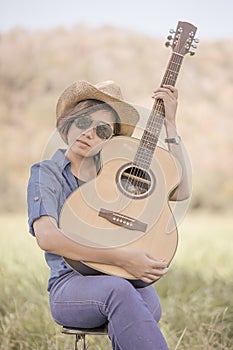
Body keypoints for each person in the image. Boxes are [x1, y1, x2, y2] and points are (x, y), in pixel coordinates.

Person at [27, 80, 190, 350]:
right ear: (69, 122)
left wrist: (170, 124)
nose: (89, 133)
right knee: (121, 292)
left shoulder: (117, 169)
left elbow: (180, 191)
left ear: (110, 139)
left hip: (118, 276)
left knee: (148, 300)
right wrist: (123, 257)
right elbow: (48, 238)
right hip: (70, 284)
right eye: (82, 122)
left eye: (101, 130)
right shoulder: (47, 172)